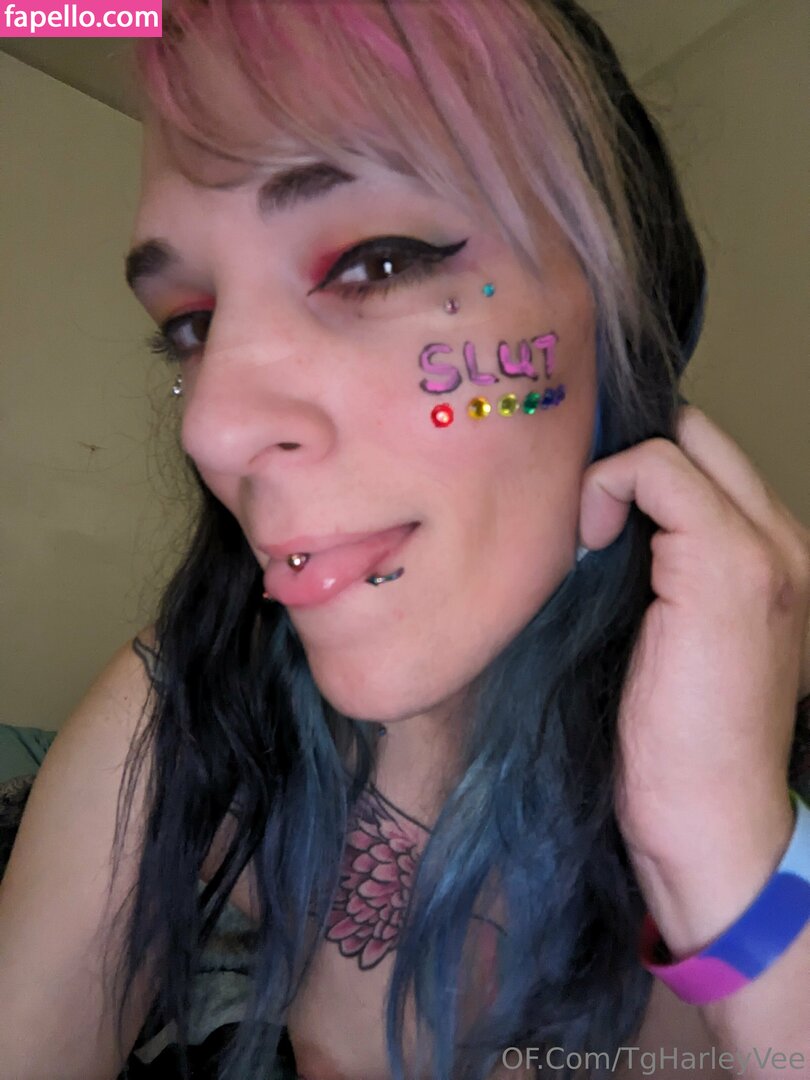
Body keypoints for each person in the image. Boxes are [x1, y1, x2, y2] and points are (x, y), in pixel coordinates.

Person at [1, 2, 808, 1078]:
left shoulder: (750, 740)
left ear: (624, 326)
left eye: (378, 264)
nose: (214, 428)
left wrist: (734, 863)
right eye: (191, 323)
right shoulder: (193, 701)